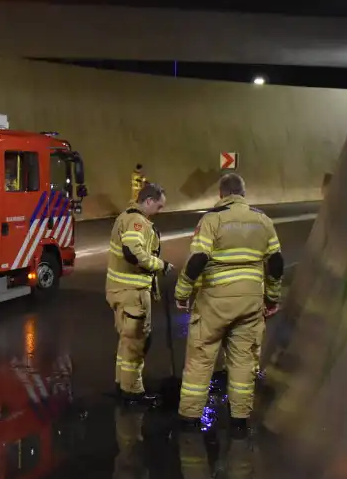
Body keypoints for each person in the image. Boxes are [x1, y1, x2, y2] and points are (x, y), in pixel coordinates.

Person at [173, 173, 283, 430]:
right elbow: (276, 263)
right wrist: (272, 298)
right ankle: (240, 419)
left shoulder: (212, 220)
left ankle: (190, 419)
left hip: (214, 302)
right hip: (250, 303)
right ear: (243, 194)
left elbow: (198, 259)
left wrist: (182, 293)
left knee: (200, 359)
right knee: (244, 361)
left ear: (222, 195)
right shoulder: (263, 221)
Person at [106, 182, 174, 403]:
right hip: (132, 293)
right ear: (148, 201)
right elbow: (133, 252)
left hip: (118, 290)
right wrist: (159, 265)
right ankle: (132, 390)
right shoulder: (137, 222)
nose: (160, 211)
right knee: (137, 342)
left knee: (126, 340)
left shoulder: (125, 216)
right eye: (159, 206)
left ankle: (121, 382)